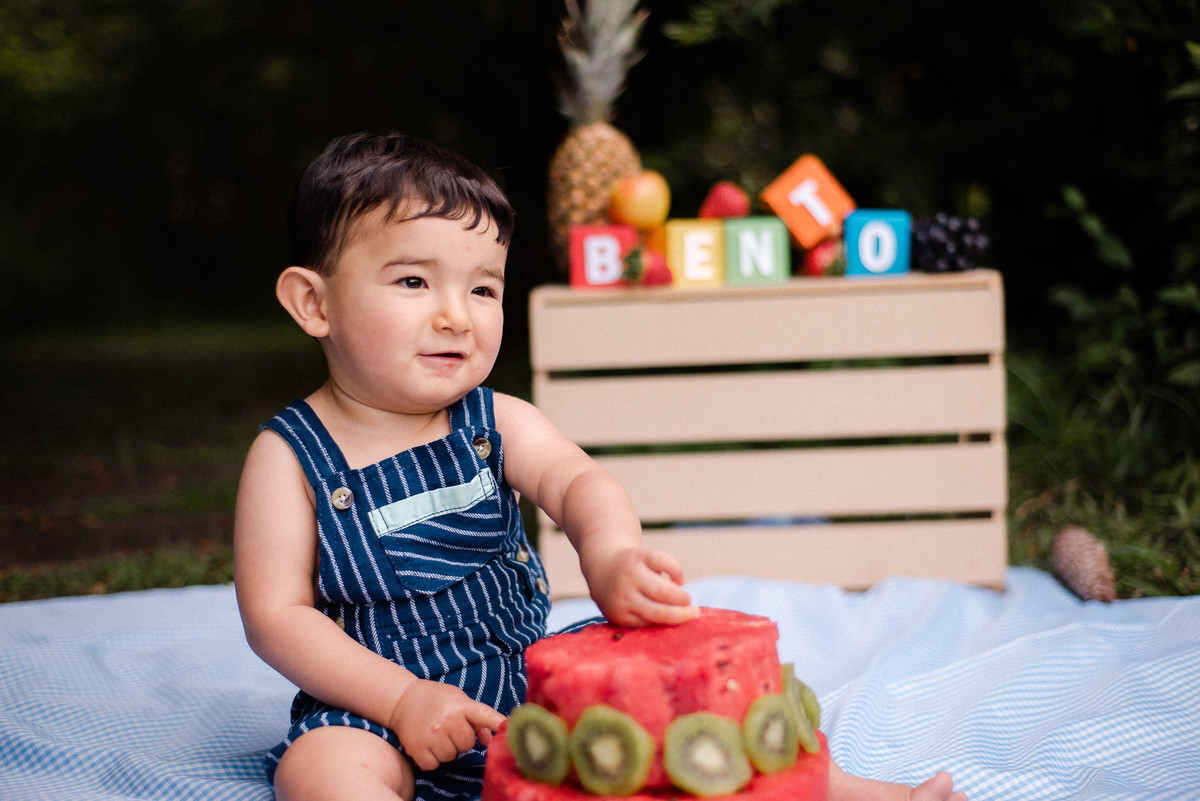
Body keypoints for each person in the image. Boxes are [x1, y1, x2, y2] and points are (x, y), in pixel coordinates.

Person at [233, 131, 967, 801]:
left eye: (482, 287)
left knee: (694, 700)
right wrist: (399, 699)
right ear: (313, 302)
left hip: (531, 674)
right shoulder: (289, 456)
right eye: (414, 282)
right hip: (374, 705)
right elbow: (277, 617)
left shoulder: (496, 421)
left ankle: (862, 792)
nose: (457, 314)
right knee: (321, 770)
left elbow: (577, 480)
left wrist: (610, 553)